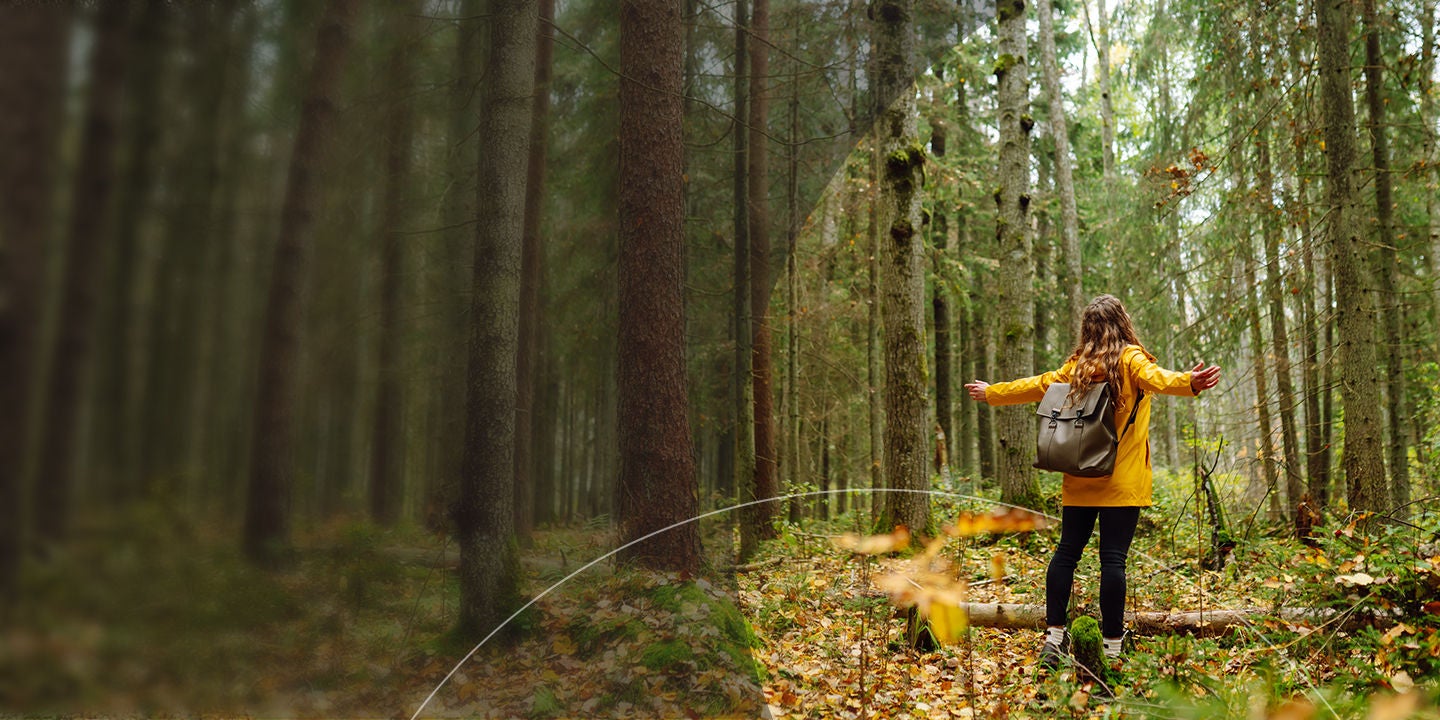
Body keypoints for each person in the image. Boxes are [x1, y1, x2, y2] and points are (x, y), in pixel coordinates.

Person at [963, 294, 1221, 669]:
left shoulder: (1077, 367)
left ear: (1087, 329)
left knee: (1067, 553)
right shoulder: (1131, 359)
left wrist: (992, 393)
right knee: (1113, 560)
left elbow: (1036, 385)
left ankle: (1053, 638)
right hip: (1122, 480)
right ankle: (1112, 647)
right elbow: (1160, 380)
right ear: (1122, 322)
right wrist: (1191, 382)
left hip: (1080, 474)